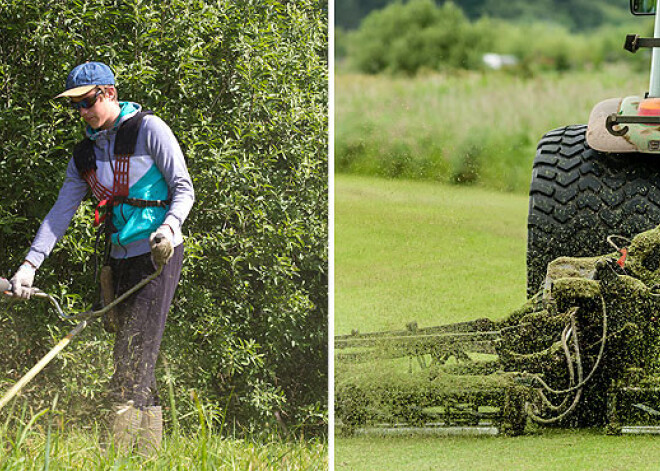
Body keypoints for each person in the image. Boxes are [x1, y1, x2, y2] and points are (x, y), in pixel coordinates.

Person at [9, 61, 194, 455]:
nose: (83, 112)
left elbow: (183, 187)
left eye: (87, 101)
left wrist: (170, 227)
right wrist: (29, 266)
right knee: (137, 353)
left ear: (109, 93)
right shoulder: (85, 153)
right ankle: (146, 456)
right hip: (118, 258)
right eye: (75, 106)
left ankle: (119, 452)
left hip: (157, 254)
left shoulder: (149, 129)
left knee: (133, 349)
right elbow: (60, 212)